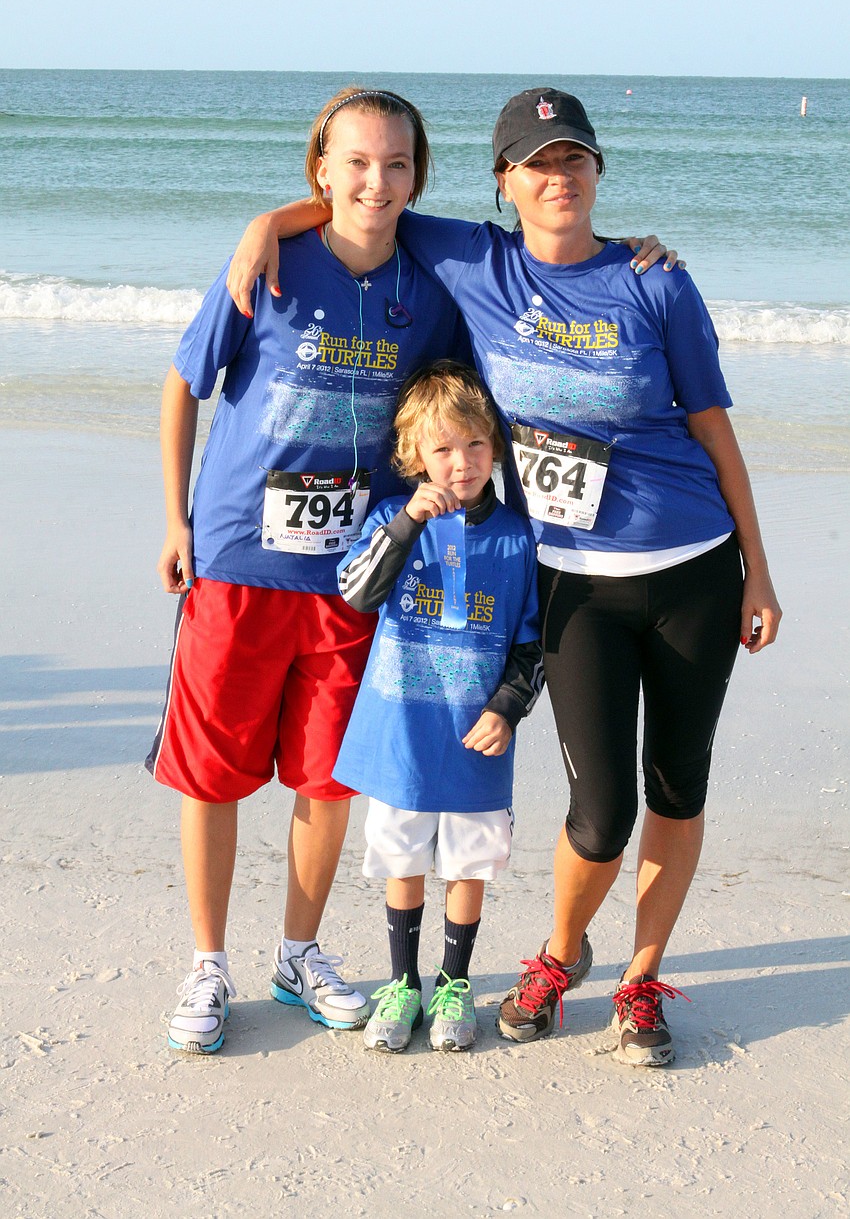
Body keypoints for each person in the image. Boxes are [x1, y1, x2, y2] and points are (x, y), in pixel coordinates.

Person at [226, 86, 781, 1067]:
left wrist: (758, 571)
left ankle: (643, 979)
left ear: (597, 172)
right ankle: (561, 954)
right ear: (505, 183)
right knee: (599, 809)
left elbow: (713, 430)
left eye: (573, 159)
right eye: (536, 162)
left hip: (693, 566)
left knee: (676, 788)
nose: (556, 176)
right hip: (568, 581)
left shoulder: (656, 283)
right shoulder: (472, 260)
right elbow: (364, 199)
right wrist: (264, 223)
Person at [146, 86, 475, 1053]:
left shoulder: (432, 286)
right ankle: (209, 963)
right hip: (239, 558)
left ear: (418, 177)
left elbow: (450, 412)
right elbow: (183, 383)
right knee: (212, 772)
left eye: (397, 164)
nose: (376, 181)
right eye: (357, 162)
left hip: (352, 576)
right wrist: (173, 519)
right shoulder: (271, 262)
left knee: (325, 779)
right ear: (320, 171)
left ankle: (299, 951)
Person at [334, 360, 542, 1053]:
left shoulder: (516, 535)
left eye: (476, 445)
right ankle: (403, 981)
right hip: (406, 733)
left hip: (476, 732)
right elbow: (356, 593)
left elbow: (534, 640)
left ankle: (454, 980)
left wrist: (508, 706)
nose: (462, 463)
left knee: (469, 861)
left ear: (496, 448)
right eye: (443, 449)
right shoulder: (397, 515)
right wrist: (406, 526)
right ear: (414, 456)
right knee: (402, 855)